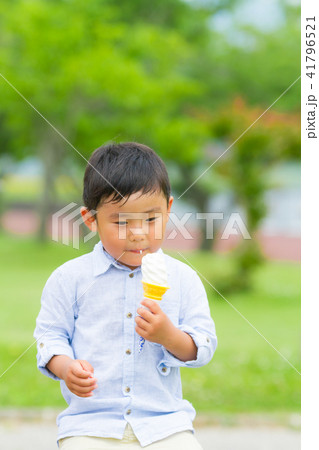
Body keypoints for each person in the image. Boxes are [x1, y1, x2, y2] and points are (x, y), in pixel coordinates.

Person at [34, 142, 217, 449]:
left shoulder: (183, 279)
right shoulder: (70, 279)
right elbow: (50, 338)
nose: (138, 233)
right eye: (121, 222)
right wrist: (66, 368)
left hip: (165, 424)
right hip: (90, 426)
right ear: (91, 220)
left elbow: (203, 346)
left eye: (150, 219)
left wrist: (169, 335)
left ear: (169, 209)